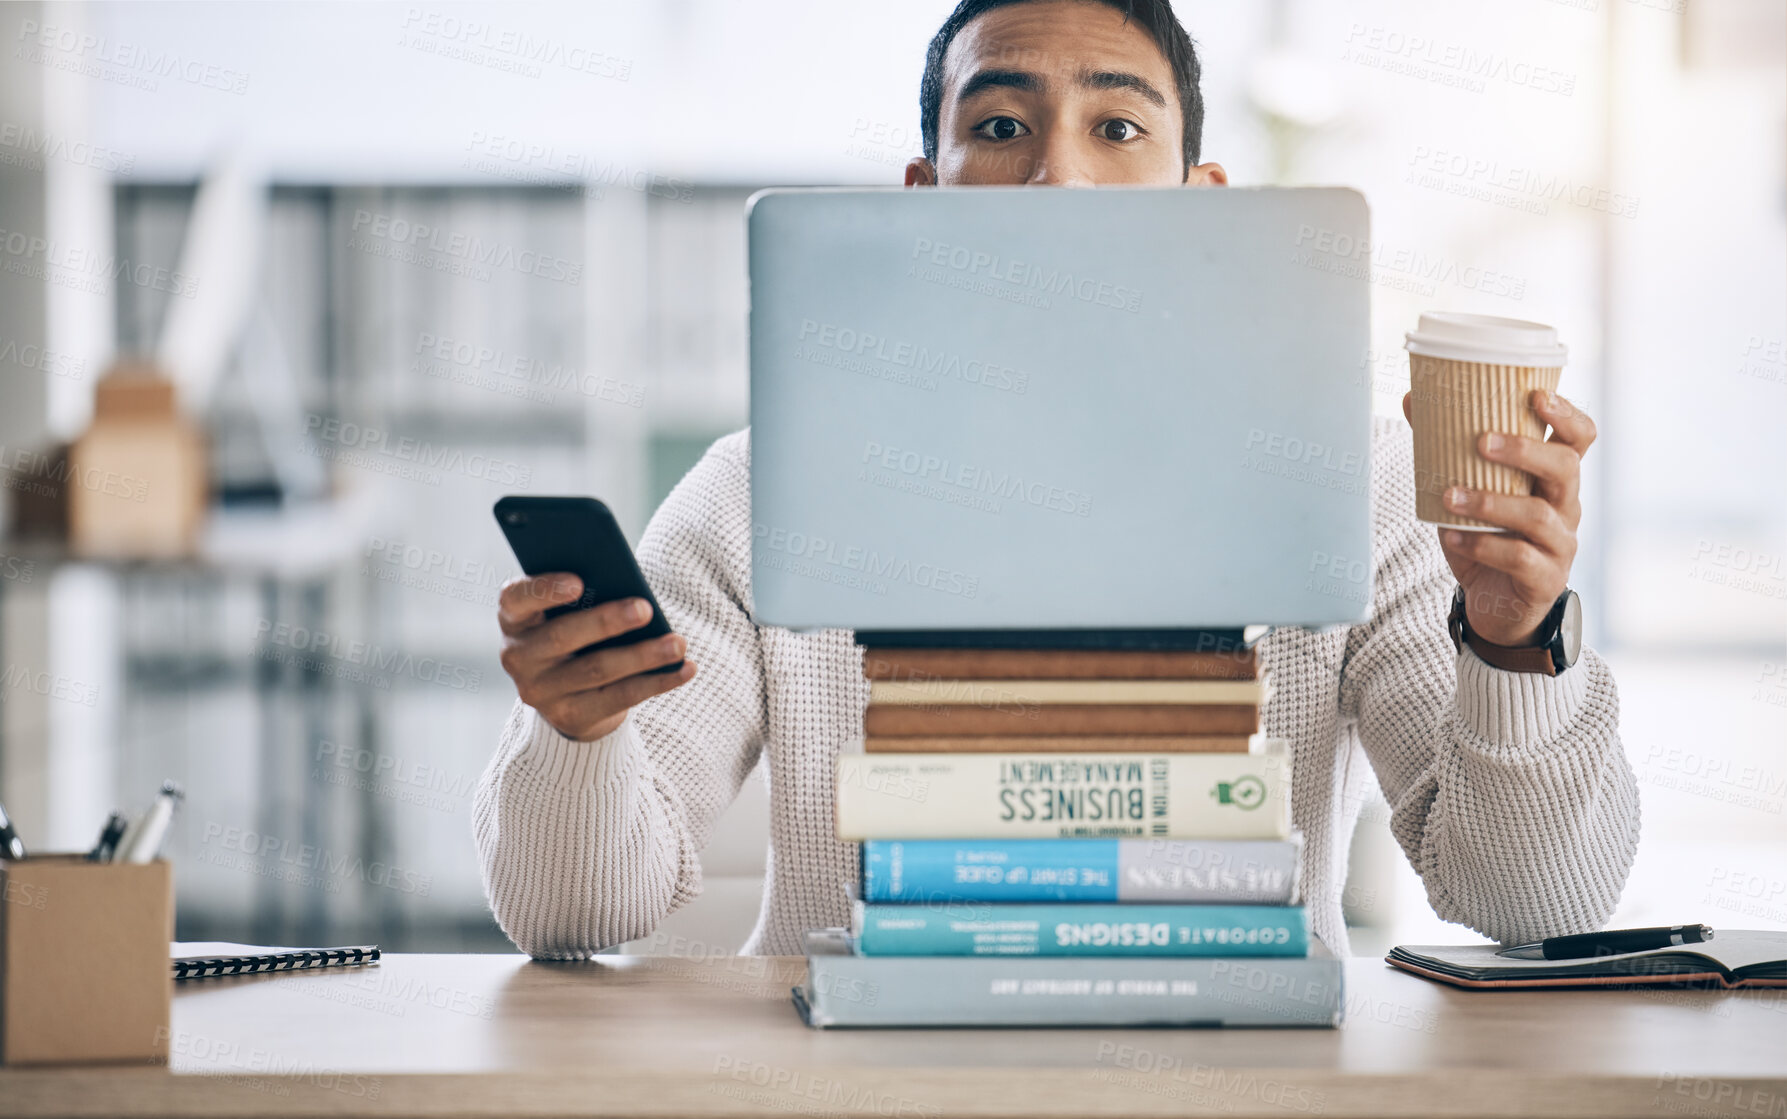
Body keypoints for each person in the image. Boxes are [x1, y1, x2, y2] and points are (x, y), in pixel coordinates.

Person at [474, 0, 1639, 958]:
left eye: (1119, 130)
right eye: (997, 126)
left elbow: (1533, 906)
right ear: (925, 197)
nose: (1059, 181)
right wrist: (576, 737)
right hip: (850, 1080)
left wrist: (1512, 643)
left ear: (1203, 203)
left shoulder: (1355, 477)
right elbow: (573, 917)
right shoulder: (755, 490)